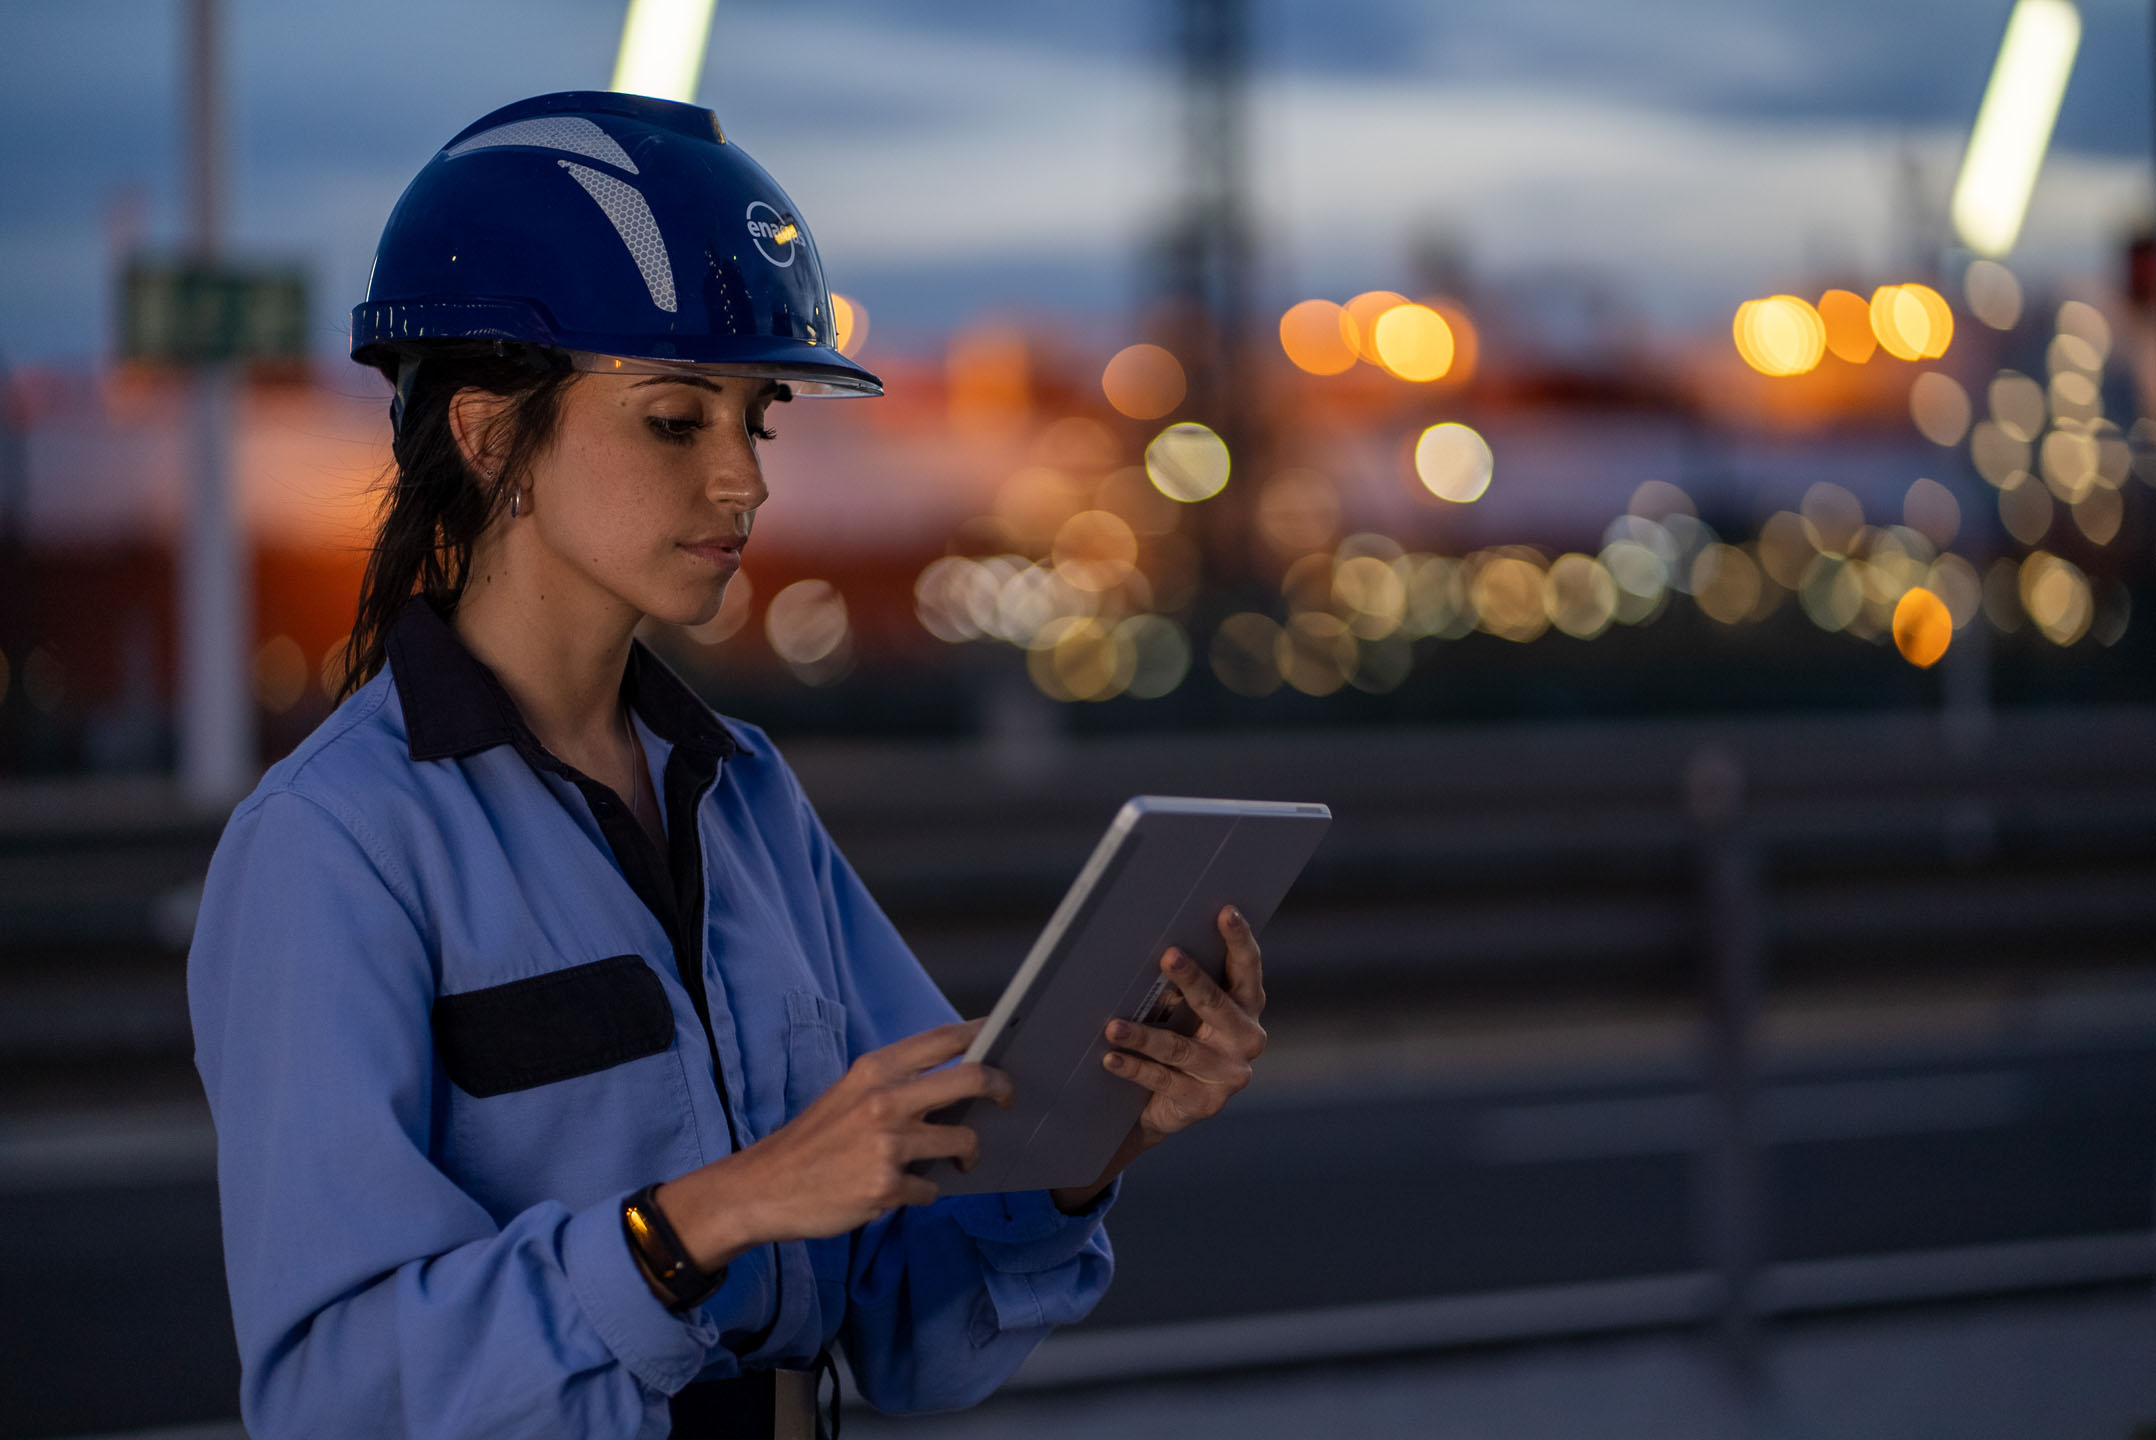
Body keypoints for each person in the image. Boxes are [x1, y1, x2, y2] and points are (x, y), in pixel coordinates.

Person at [185, 90, 1271, 1440]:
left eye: (756, 419)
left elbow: (910, 1332)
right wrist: (722, 1208)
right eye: (673, 418)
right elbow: (333, 1391)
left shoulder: (747, 798)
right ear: (484, 434)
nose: (743, 482)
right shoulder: (334, 844)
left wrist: (1092, 1140)